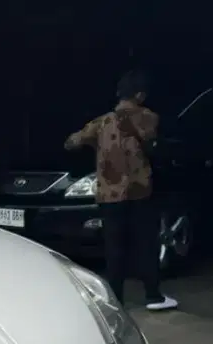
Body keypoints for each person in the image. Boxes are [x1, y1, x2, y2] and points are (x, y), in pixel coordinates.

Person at [64, 70, 178, 311]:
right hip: (140, 191)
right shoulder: (149, 117)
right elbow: (153, 143)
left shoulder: (101, 122)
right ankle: (153, 296)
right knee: (146, 243)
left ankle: (116, 298)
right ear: (140, 95)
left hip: (110, 193)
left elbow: (71, 142)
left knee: (114, 247)